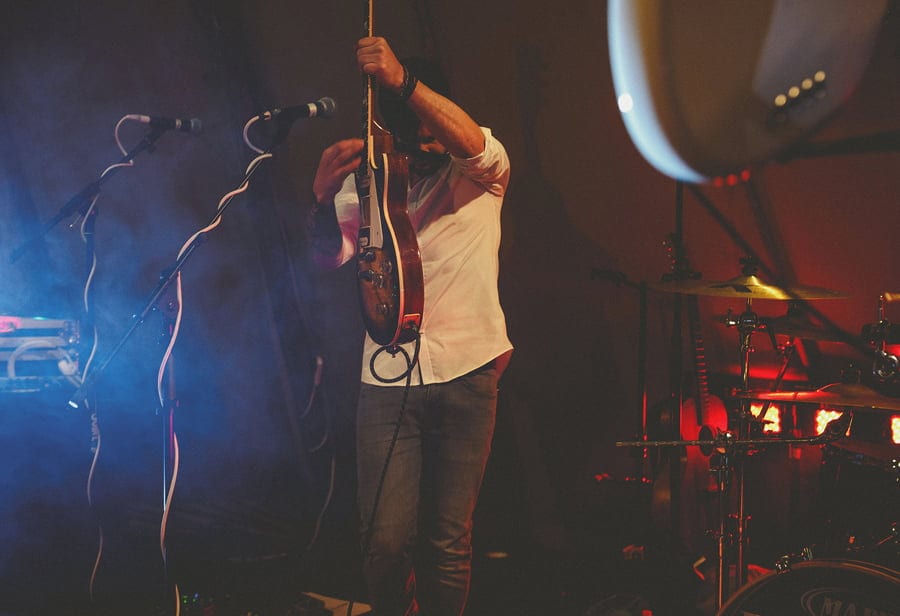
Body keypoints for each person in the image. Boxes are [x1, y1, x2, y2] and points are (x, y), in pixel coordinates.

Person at [307, 35, 512, 616]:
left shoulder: (480, 170)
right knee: (385, 543)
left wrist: (404, 84)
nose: (424, 145)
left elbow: (469, 141)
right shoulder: (368, 187)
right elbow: (328, 258)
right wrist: (321, 200)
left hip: (468, 372)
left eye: (431, 130)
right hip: (388, 377)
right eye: (410, 132)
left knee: (449, 542)